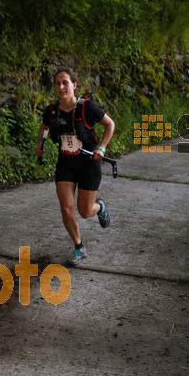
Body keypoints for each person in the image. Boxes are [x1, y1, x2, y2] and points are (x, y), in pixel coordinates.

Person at [35, 67, 116, 266]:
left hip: (89, 162)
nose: (61, 87)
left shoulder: (87, 107)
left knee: (85, 211)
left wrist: (102, 148)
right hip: (66, 162)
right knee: (66, 208)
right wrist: (40, 145)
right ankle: (79, 246)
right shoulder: (52, 111)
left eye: (65, 83)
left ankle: (100, 207)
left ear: (74, 84)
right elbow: (45, 127)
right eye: (57, 83)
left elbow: (110, 124)